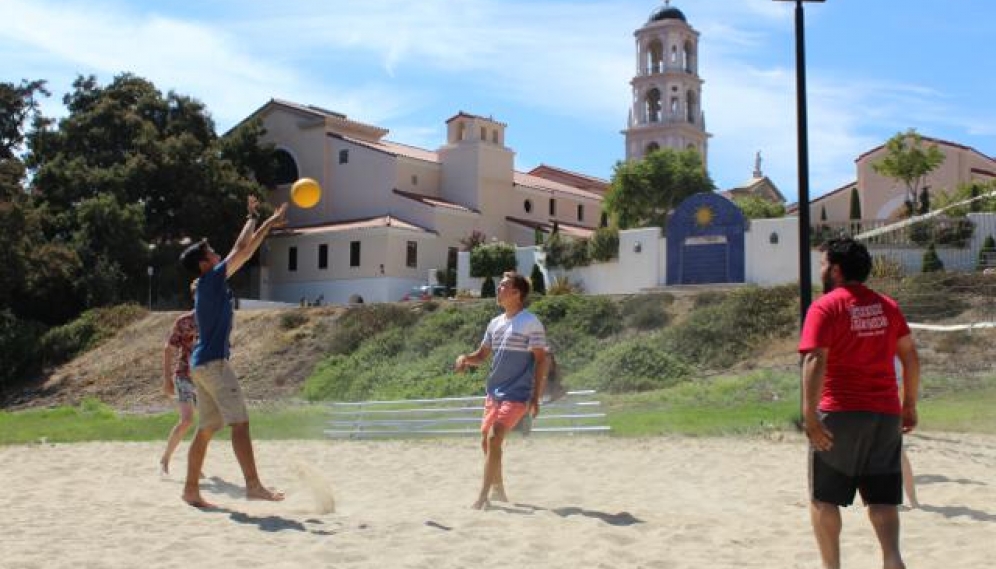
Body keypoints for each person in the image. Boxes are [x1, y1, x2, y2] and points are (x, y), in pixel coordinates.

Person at [799, 237, 920, 569]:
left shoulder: (826, 306)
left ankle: (831, 567)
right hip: (884, 415)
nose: (820, 270)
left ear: (836, 270)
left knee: (824, 499)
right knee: (882, 501)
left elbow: (814, 361)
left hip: (840, 414)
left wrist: (809, 417)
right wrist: (909, 404)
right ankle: (893, 561)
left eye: (823, 264)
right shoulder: (887, 306)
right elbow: (910, 356)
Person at [178, 196, 288, 508]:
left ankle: (190, 490)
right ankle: (253, 485)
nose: (216, 253)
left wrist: (251, 215)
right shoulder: (211, 280)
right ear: (204, 263)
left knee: (207, 429)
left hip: (200, 365)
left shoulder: (208, 281)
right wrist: (267, 223)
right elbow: (243, 251)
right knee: (240, 422)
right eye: (210, 251)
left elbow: (238, 249)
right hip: (213, 364)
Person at [455, 271, 547, 510]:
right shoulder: (495, 323)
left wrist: (535, 397)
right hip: (494, 393)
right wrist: (465, 358)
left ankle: (483, 497)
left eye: (504, 286)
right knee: (487, 442)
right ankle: (499, 490)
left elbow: (542, 361)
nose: (498, 289)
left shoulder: (530, 322)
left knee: (495, 438)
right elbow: (482, 355)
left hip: (518, 393)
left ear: (517, 294)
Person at [159, 280, 199, 476]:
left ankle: (196, 462)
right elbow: (168, 349)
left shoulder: (216, 319)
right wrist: (167, 380)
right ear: (195, 296)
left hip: (207, 378)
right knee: (186, 421)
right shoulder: (184, 322)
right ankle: (166, 458)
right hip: (185, 375)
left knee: (208, 423)